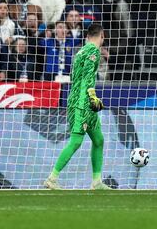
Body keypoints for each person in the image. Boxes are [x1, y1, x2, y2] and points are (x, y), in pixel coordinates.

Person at [44, 24, 110, 190]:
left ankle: (96, 182)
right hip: (83, 102)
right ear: (102, 36)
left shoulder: (80, 51)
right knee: (76, 141)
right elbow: (88, 77)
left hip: (80, 99)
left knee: (98, 140)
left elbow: (75, 76)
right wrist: (92, 97)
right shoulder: (94, 51)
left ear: (87, 36)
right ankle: (52, 178)